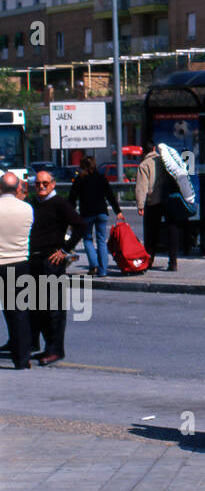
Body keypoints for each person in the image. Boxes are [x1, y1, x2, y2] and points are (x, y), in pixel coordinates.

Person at [27, 169, 85, 366]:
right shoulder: (34, 204)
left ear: (52, 184)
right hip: (34, 260)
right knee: (37, 307)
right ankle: (43, 346)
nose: (41, 187)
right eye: (38, 184)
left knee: (54, 308)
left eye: (45, 183)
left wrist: (65, 250)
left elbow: (80, 225)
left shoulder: (59, 203)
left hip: (52, 262)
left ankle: (55, 350)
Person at [0, 171, 35, 368]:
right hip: (18, 262)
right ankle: (21, 358)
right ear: (18, 189)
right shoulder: (27, 209)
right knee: (19, 312)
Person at [69, 155, 121, 276]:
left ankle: (94, 266)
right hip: (102, 213)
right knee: (101, 240)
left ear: (82, 166)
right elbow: (110, 196)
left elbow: (71, 199)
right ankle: (103, 270)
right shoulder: (101, 177)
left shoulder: (79, 180)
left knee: (87, 239)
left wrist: (69, 215)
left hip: (86, 214)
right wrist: (118, 211)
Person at [135, 142, 181, 271]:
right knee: (172, 229)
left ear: (143, 152)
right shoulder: (165, 161)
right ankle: (173, 262)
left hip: (153, 201)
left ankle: (149, 260)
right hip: (169, 199)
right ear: (154, 149)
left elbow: (141, 187)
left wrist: (140, 205)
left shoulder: (144, 165)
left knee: (151, 232)